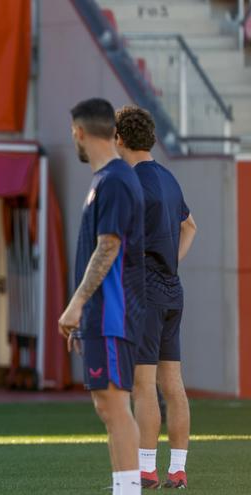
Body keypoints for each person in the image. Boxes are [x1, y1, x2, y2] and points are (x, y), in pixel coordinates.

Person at [58, 98, 145, 495]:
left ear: (79, 131)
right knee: (107, 407)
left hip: (113, 313)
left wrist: (76, 305)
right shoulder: (105, 180)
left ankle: (128, 490)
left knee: (114, 405)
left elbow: (108, 246)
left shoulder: (114, 180)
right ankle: (123, 487)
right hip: (102, 315)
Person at [115, 105, 196, 489]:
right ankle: (177, 469)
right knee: (173, 383)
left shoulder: (128, 182)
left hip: (144, 289)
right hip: (171, 288)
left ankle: (145, 469)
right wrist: (170, 264)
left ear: (119, 138)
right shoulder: (168, 178)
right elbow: (190, 226)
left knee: (142, 385)